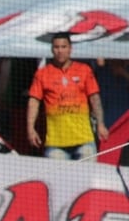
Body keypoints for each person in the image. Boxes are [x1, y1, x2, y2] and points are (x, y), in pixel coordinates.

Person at [27, 32, 109, 160]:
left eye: (63, 47)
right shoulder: (42, 74)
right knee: (57, 180)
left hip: (84, 141)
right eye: (56, 47)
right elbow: (34, 101)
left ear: (70, 49)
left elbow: (95, 98)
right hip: (56, 145)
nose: (60, 51)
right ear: (52, 49)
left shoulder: (84, 70)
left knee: (86, 179)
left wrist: (100, 124)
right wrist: (30, 128)